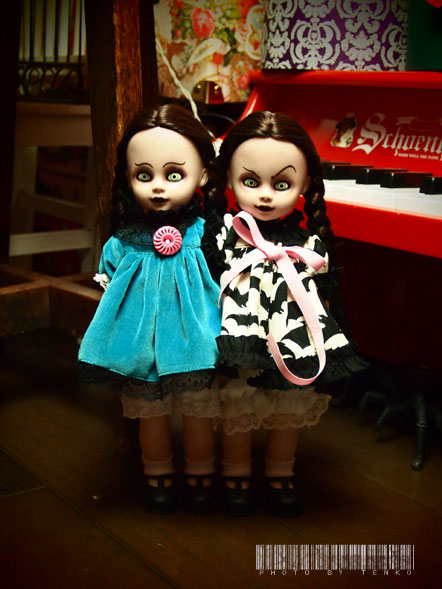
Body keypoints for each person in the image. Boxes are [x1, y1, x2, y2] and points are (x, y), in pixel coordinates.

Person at [203, 110, 368, 517]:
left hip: (292, 332)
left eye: (281, 184)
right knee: (238, 397)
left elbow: (322, 292)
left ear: (305, 184)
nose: (265, 196)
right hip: (241, 330)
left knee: (288, 404)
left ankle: (281, 471)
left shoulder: (308, 242)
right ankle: (236, 472)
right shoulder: (226, 234)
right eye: (250, 181)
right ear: (229, 180)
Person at [79, 104, 225, 515]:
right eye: (144, 175)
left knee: (198, 410)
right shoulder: (124, 240)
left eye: (174, 174)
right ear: (128, 178)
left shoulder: (208, 233)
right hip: (139, 339)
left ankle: (200, 472)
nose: (158, 187)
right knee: (150, 412)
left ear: (202, 175)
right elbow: (110, 284)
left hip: (194, 338)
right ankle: (156, 472)